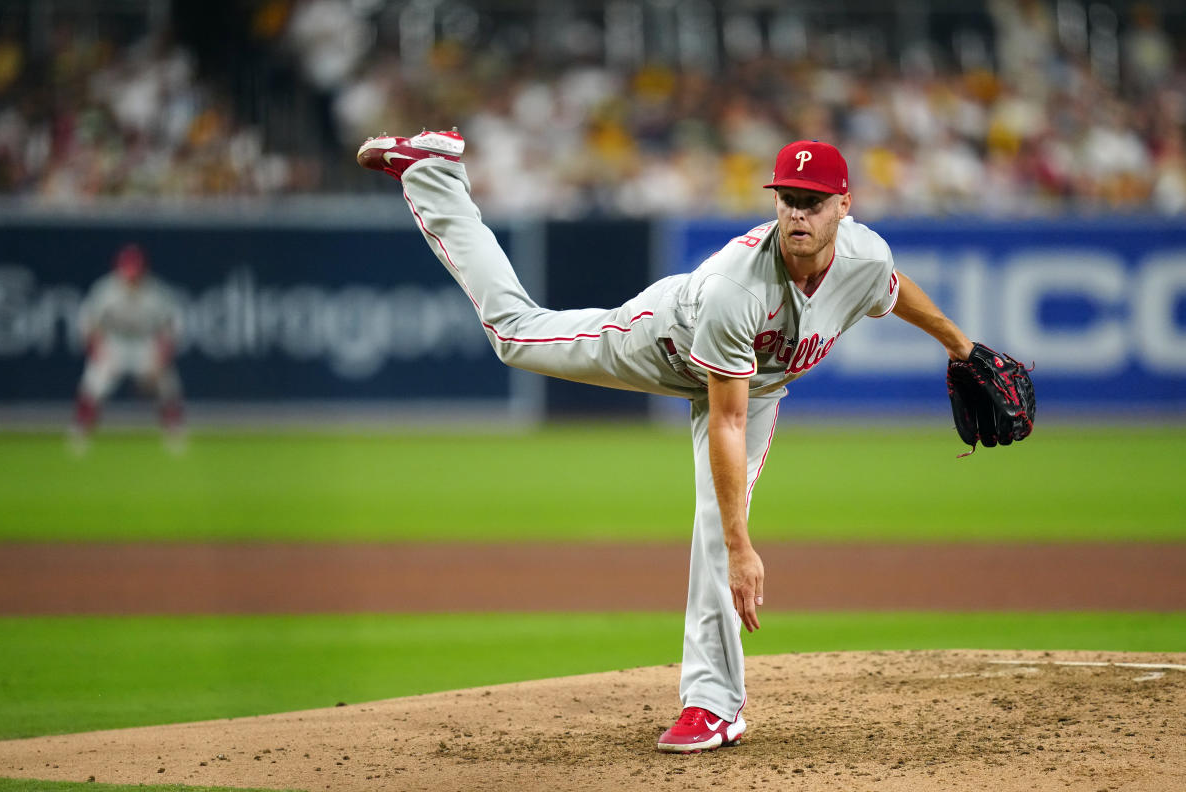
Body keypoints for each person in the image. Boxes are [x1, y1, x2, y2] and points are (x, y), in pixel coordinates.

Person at [356, 129, 980, 753]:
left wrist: (961, 347)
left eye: (812, 201)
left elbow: (891, 291)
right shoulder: (739, 287)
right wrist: (742, 549)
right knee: (514, 335)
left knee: (717, 518)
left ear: (844, 205)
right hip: (664, 342)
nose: (797, 212)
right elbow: (725, 422)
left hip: (752, 388)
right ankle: (433, 173)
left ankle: (713, 707)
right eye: (787, 197)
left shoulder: (864, 258)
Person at [72, 243, 184, 451]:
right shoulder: (105, 290)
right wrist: (99, 352)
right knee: (93, 384)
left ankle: (174, 433)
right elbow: (88, 324)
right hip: (113, 343)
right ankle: (80, 433)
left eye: (135, 273)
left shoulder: (156, 293)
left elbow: (171, 327)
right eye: (128, 272)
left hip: (145, 343)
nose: (131, 278)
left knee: (168, 384)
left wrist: (161, 358)